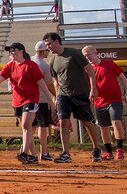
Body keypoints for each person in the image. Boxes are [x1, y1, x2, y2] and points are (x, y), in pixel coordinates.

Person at [0, 43, 53, 164]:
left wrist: (50, 100)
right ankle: (33, 156)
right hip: (17, 101)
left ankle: (24, 153)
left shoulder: (31, 65)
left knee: (26, 125)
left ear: (21, 51)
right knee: (26, 129)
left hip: (31, 99)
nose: (11, 53)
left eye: (14, 51)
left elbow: (42, 83)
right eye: (10, 52)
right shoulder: (10, 65)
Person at [43, 31, 102, 163]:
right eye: (47, 45)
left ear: (57, 41)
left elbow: (90, 70)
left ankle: (96, 148)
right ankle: (66, 153)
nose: (48, 47)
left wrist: (93, 89)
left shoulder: (73, 53)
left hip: (80, 93)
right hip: (64, 95)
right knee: (63, 121)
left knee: (87, 122)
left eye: (50, 44)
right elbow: (55, 80)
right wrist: (56, 97)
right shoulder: (52, 59)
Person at [83, 45, 127, 160]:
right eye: (85, 56)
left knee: (116, 122)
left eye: (89, 54)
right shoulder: (88, 69)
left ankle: (120, 149)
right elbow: (87, 85)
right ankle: (109, 152)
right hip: (99, 101)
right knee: (103, 127)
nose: (88, 57)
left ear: (96, 52)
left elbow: (123, 78)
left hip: (114, 99)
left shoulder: (109, 64)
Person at [31, 40, 58, 160]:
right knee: (42, 126)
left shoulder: (29, 60)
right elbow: (48, 84)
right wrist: (56, 95)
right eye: (47, 50)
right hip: (41, 99)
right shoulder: (44, 65)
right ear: (43, 51)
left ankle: (27, 150)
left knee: (30, 127)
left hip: (29, 99)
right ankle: (44, 152)